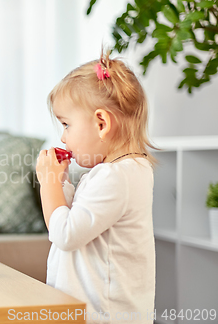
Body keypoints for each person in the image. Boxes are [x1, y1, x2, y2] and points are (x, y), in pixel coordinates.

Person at [36, 51, 155, 323]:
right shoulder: (122, 171)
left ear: (101, 123)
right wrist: (63, 183)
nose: (63, 137)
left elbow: (65, 234)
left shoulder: (115, 177)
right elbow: (77, 217)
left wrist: (50, 183)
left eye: (66, 124)